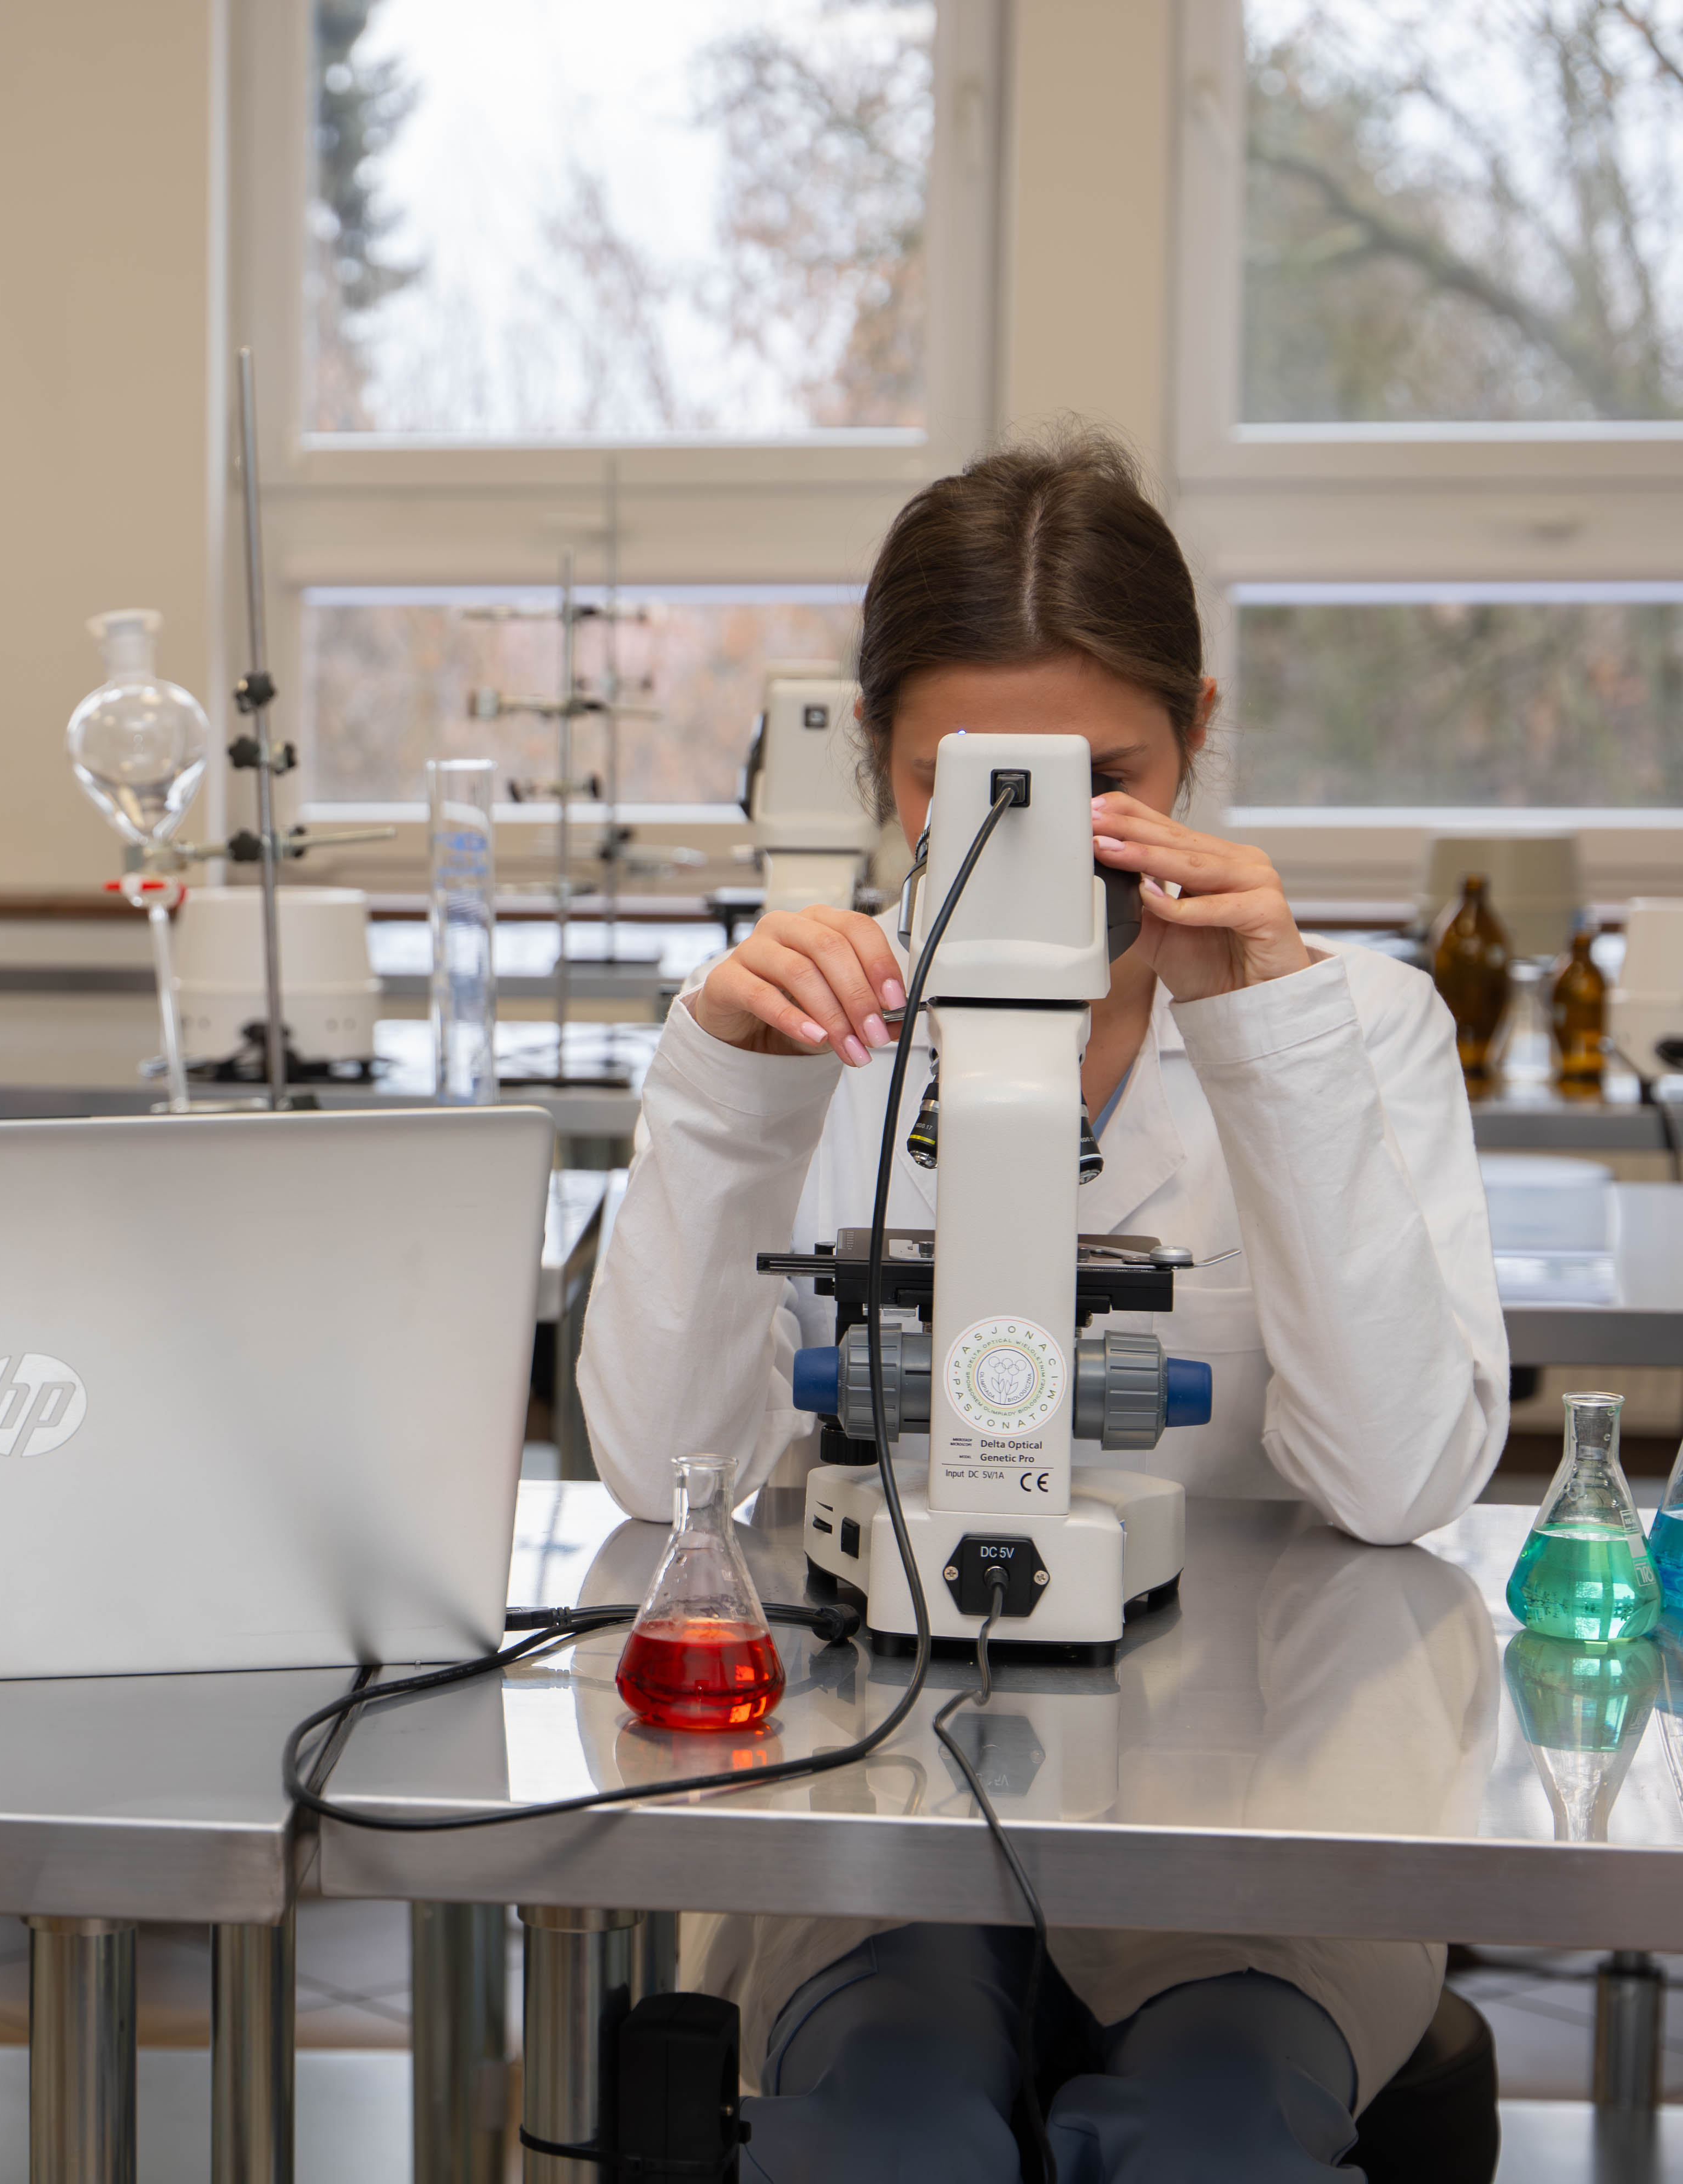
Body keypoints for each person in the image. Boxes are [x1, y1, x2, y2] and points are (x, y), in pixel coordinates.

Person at [577, 430, 1507, 2181]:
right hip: (868, 1798)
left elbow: (1397, 1484)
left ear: (1196, 729)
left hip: (1262, 1820)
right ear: (874, 757)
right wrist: (726, 1096)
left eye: (1098, 782)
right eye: (962, 785)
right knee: (889, 2128)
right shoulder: (797, 1027)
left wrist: (1266, 1041)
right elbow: (660, 1471)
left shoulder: (1355, 1026)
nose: (1032, 842)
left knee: (1213, 2140)